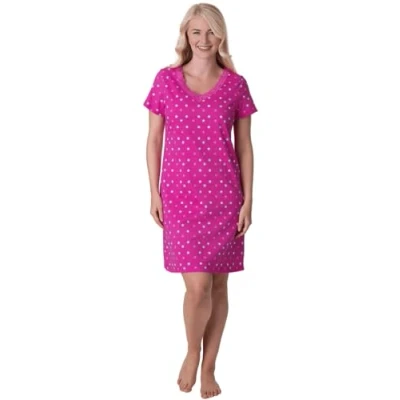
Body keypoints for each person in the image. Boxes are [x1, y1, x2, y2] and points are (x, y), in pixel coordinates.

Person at [144, 3, 257, 398]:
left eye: (211, 32)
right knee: (198, 288)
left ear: (220, 35)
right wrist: (154, 191)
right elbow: (153, 139)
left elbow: (244, 146)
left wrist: (248, 200)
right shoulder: (166, 80)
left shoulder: (235, 85)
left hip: (225, 198)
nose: (204, 39)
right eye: (196, 32)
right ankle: (193, 352)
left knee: (219, 287)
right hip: (179, 198)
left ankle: (210, 368)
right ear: (186, 35)